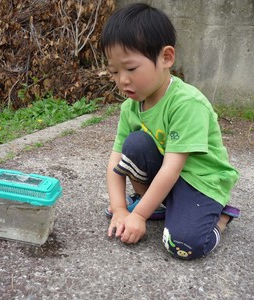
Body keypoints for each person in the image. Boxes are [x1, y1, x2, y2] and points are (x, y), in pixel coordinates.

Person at [100, 3, 240, 260]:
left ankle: (220, 217)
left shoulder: (186, 103)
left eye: (130, 69)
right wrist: (120, 209)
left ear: (166, 58)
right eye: (114, 72)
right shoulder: (130, 107)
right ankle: (157, 205)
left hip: (200, 182)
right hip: (169, 178)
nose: (122, 80)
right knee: (135, 145)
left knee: (183, 245)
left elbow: (172, 168)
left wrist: (138, 215)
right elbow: (115, 159)